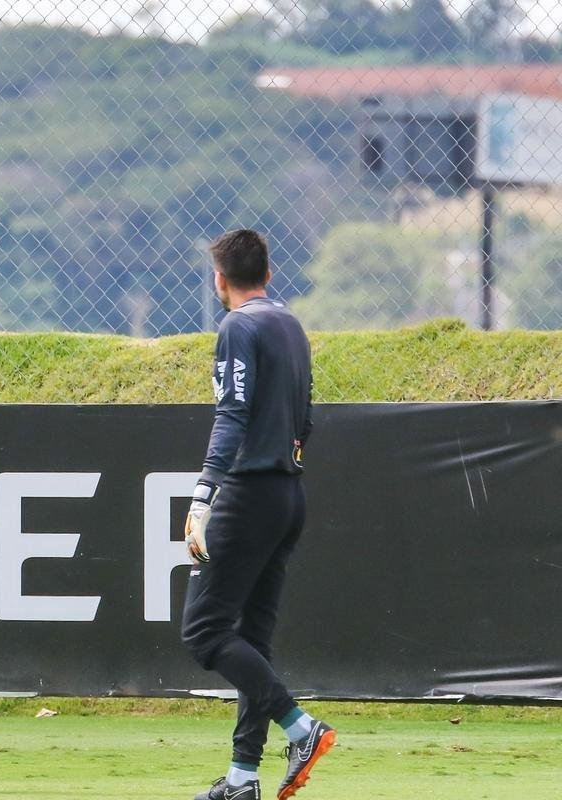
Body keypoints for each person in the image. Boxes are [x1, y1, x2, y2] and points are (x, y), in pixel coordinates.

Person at [180, 229, 334, 800]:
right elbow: (307, 414)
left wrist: (202, 497)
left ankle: (301, 728)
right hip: (287, 493)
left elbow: (231, 415)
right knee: (254, 640)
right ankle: (244, 778)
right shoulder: (289, 324)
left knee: (203, 632)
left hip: (249, 493)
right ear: (268, 274)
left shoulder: (237, 327)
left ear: (220, 280)